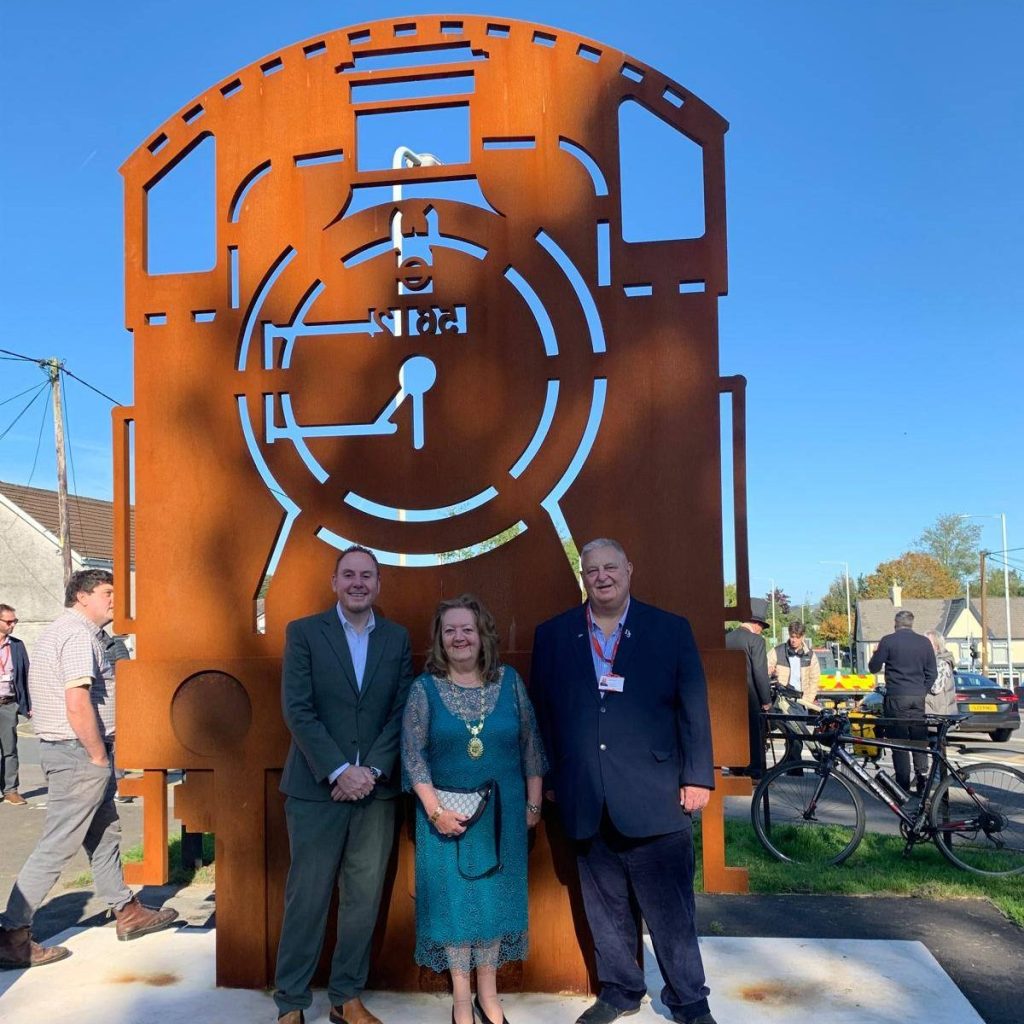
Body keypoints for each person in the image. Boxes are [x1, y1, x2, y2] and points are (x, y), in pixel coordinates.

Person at [531, 539, 717, 1024]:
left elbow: (693, 707)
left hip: (656, 792)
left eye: (610, 567)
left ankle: (690, 1000)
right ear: (583, 576)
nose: (602, 576)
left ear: (629, 570)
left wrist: (698, 777)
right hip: (584, 795)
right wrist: (551, 774)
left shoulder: (669, 630)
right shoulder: (553, 636)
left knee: (672, 912)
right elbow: (542, 713)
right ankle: (619, 991)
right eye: (591, 570)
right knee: (604, 907)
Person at [0, 570, 178, 970]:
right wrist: (99, 756)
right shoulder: (79, 636)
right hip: (79, 754)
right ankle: (12, 934)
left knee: (104, 834)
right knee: (59, 843)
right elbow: (77, 701)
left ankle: (127, 911)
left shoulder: (67, 631)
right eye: (107, 592)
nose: (115, 600)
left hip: (75, 752)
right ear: (82, 596)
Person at [274, 546, 414, 1024]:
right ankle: (291, 1003)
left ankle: (346, 997)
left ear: (378, 584)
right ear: (333, 581)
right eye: (349, 575)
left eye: (368, 576)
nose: (358, 583)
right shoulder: (305, 633)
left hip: (375, 794)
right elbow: (298, 709)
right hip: (317, 791)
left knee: (363, 899)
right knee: (307, 897)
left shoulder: (396, 639)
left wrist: (369, 772)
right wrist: (339, 770)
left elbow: (401, 713)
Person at [402, 594, 547, 1024]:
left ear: (483, 635)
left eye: (467, 629)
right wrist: (434, 811)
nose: (460, 637)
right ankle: (462, 999)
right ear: (439, 640)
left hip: (504, 818)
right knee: (454, 904)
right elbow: (413, 757)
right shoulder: (423, 689)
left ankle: (489, 992)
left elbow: (532, 746)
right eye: (450, 631)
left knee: (493, 902)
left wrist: (534, 805)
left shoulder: (511, 682)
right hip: (447, 819)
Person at [868, 609, 937, 794]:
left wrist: (875, 654)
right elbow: (933, 673)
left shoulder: (888, 641)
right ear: (912, 623)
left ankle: (903, 784)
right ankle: (922, 778)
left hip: (896, 695)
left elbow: (874, 668)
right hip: (917, 697)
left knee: (898, 741)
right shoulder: (924, 643)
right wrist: (922, 690)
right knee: (918, 739)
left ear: (895, 623)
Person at [724, 598, 772, 778]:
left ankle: (736, 767)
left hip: (728, 695)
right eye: (762, 626)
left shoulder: (726, 638)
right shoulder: (756, 641)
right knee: (754, 735)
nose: (761, 630)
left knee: (733, 732)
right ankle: (754, 772)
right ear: (756, 624)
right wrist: (766, 700)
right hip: (750, 697)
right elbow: (760, 673)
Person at [769, 621, 821, 762]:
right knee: (786, 734)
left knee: (798, 736)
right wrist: (771, 672)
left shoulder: (810, 655)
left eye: (797, 637)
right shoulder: (778, 651)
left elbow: (814, 679)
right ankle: (792, 768)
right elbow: (767, 666)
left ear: (803, 637)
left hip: (800, 701)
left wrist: (808, 700)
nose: (794, 640)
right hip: (781, 699)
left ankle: (796, 768)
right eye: (792, 636)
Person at [0, 604, 30, 806]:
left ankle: (11, 789)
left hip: (8, 704)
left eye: (14, 621)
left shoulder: (17, 646)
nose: (13, 625)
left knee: (9, 749)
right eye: (9, 621)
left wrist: (29, 704)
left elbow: (27, 676)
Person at [924, 630, 957, 718]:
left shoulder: (942, 663)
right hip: (930, 711)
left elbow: (936, 688)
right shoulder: (929, 662)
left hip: (938, 713)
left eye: (928, 643)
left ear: (937, 646)